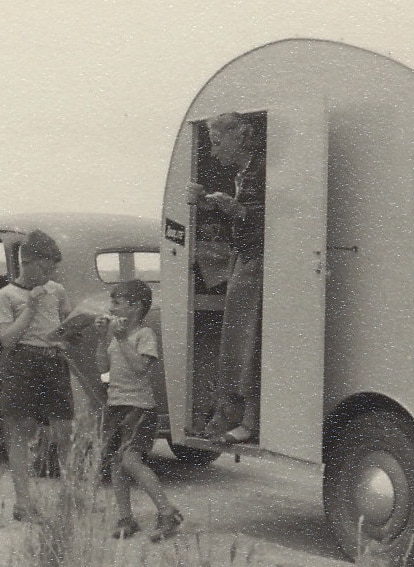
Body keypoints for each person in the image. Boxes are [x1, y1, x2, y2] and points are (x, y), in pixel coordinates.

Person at [187, 112, 265, 444]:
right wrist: (209, 205)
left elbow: (278, 217)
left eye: (218, 143)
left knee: (245, 341)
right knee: (239, 341)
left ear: (240, 136)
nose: (215, 153)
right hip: (244, 259)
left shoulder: (262, 171)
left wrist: (235, 210)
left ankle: (246, 420)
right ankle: (234, 415)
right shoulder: (246, 173)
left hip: (255, 262)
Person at [0, 229, 72, 521]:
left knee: (64, 432)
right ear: (28, 262)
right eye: (45, 268)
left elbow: (64, 324)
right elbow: (7, 339)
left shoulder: (56, 290)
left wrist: (74, 330)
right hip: (22, 362)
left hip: (53, 361)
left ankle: (70, 499)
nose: (49, 274)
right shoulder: (6, 295)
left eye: (53, 269)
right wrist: (31, 307)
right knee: (19, 434)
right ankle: (23, 504)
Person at [96, 280, 183, 542]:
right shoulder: (116, 337)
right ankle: (126, 517)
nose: (111, 308)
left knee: (131, 460)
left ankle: (168, 512)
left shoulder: (144, 335)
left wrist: (121, 340)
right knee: (115, 463)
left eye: (117, 303)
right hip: (117, 405)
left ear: (135, 307)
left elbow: (140, 368)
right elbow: (102, 368)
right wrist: (103, 339)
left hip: (139, 407)